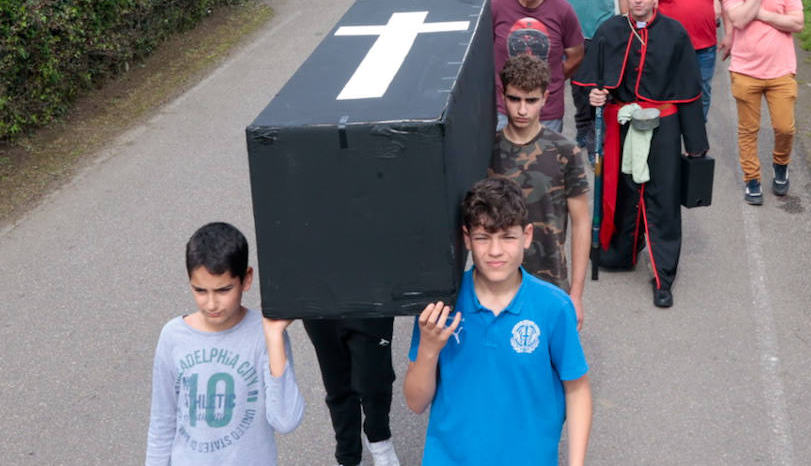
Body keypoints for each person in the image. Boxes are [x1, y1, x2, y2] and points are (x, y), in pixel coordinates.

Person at [403, 177, 591, 466]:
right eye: (482, 237)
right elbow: (415, 403)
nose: (495, 251)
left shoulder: (554, 307)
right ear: (466, 238)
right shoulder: (441, 306)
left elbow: (576, 389)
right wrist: (429, 349)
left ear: (527, 236)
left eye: (507, 237)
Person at [573, 0, 709, 309]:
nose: (637, 0)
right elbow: (590, 82)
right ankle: (621, 254)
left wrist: (696, 146)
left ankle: (664, 276)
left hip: (664, 126)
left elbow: (690, 94)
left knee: (661, 199)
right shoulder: (609, 31)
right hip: (620, 125)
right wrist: (594, 98)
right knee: (624, 192)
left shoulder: (675, 34)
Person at [146, 222, 306, 465]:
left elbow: (285, 420)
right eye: (200, 290)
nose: (211, 304)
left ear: (246, 279)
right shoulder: (173, 336)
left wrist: (273, 336)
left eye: (223, 290)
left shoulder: (264, 334)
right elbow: (162, 420)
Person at [490, 54, 593, 326]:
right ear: (503, 96)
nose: (522, 110)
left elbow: (582, 223)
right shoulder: (486, 151)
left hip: (551, 284)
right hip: (495, 286)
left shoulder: (565, 152)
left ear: (545, 98)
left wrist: (577, 294)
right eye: (515, 99)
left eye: (531, 100)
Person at [722, 0, 804, 205]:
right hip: (745, 70)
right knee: (748, 130)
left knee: (785, 128)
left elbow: (797, 23)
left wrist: (761, 13)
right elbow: (739, 19)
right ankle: (752, 179)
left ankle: (781, 165)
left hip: (781, 70)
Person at [550, 0, 628, 151]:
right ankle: (582, 127)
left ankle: (600, 130)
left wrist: (625, 25)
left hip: (603, 33)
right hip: (573, 35)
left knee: (602, 84)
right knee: (578, 86)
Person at [491, 0, 585, 132]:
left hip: (547, 112)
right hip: (504, 109)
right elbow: (481, 53)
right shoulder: (496, 7)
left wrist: (551, 78)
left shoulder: (563, 10)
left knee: (547, 161)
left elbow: (576, 56)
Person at [301, 316, 401, 466]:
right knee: (337, 386)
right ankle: (348, 457)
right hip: (319, 304)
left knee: (375, 382)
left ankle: (380, 442)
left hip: (370, 302)